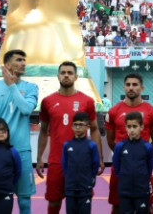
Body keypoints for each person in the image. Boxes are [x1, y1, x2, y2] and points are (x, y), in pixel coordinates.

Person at [37, 61, 103, 214]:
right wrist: (39, 157)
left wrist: (99, 157)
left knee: (81, 201)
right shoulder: (47, 102)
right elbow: (43, 131)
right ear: (58, 76)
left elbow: (94, 129)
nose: (66, 75)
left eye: (70, 73)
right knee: (54, 201)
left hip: (81, 161)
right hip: (56, 161)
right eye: (63, 72)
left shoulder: (87, 101)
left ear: (76, 77)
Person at [0, 49, 39, 214]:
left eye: (24, 60)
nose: (23, 63)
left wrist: (12, 86)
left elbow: (26, 109)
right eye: (19, 60)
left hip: (22, 151)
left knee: (24, 198)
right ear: (7, 65)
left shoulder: (31, 88)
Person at [105, 72, 153, 214]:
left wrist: (140, 155)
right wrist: (123, 155)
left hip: (142, 168)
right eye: (128, 85)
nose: (131, 88)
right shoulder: (113, 112)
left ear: (141, 88)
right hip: (121, 168)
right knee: (117, 206)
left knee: (147, 205)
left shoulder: (152, 112)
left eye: (135, 85)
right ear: (124, 87)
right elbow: (111, 141)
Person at [112, 111, 153, 214]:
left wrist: (142, 178)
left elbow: (149, 168)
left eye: (135, 126)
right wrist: (124, 178)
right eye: (129, 126)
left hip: (141, 191)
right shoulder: (120, 146)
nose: (131, 130)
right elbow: (117, 167)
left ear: (141, 127)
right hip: (125, 191)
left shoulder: (147, 147)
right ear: (126, 128)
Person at [61, 112, 100, 214]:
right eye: (75, 124)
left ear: (87, 127)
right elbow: (64, 165)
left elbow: (95, 165)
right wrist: (69, 179)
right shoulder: (67, 145)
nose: (78, 127)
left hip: (85, 189)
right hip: (70, 189)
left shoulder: (91, 145)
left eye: (81, 125)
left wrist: (90, 180)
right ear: (72, 126)